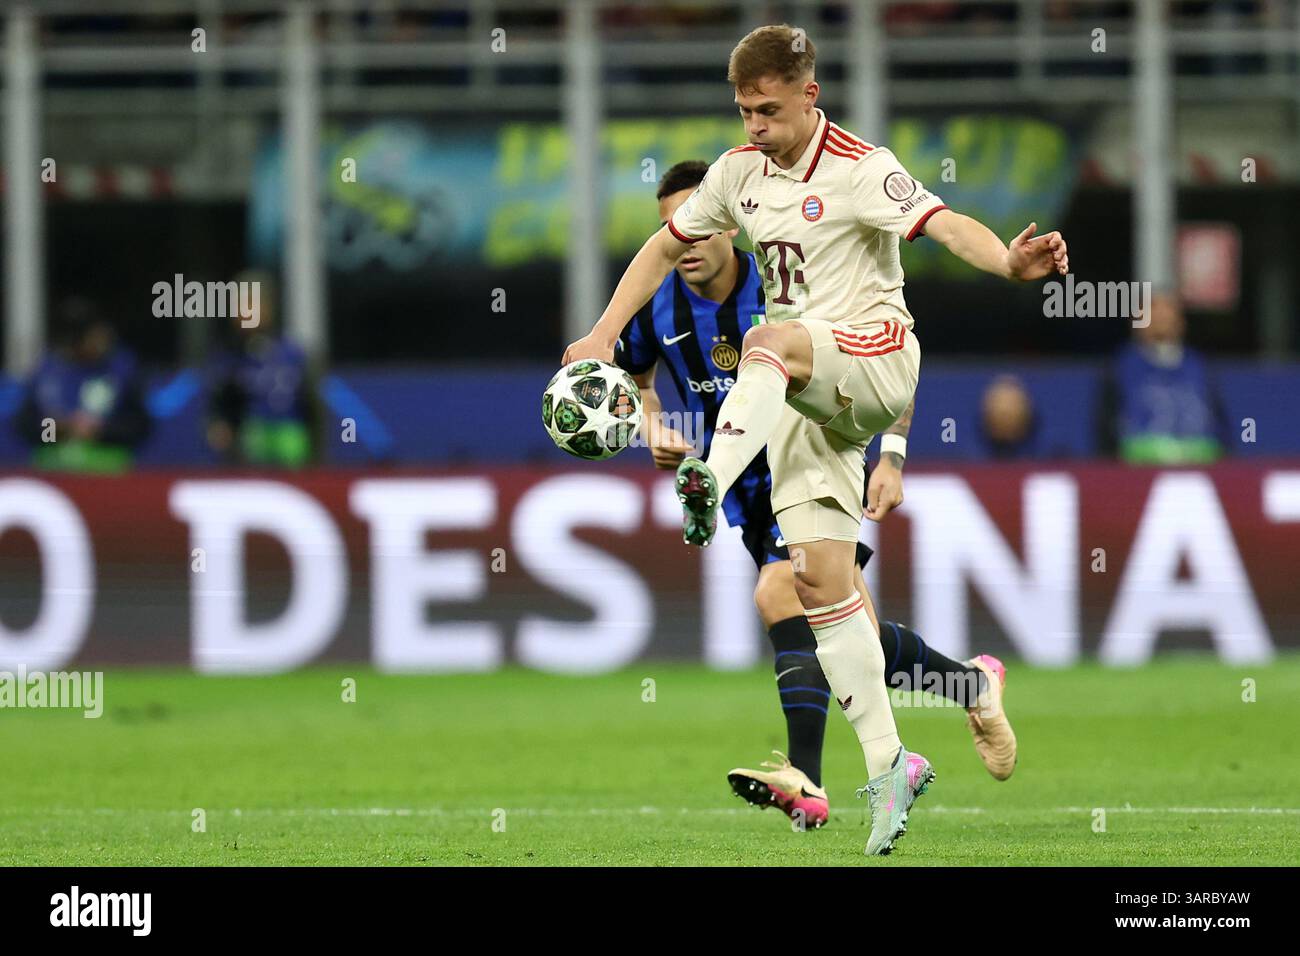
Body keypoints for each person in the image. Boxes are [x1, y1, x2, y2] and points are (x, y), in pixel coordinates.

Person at [564, 25, 1067, 855]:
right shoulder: (736, 176)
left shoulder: (863, 168)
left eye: (767, 109)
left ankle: (709, 481)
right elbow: (661, 245)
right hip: (803, 397)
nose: (754, 124)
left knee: (770, 338)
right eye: (743, 110)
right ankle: (893, 762)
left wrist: (1009, 266)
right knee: (820, 584)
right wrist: (599, 334)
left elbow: (945, 227)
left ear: (809, 94)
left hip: (875, 358)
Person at [620, 160, 1018, 830]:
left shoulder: (783, 285)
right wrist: (653, 426)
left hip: (808, 458)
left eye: (695, 227)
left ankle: (807, 778)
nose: (684, 243)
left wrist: (892, 455)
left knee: (783, 595)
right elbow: (640, 378)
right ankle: (969, 686)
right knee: (846, 636)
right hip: (742, 495)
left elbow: (881, 356)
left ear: (727, 226)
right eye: (671, 230)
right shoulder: (658, 303)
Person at [13, 297, 151, 473]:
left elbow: (140, 427)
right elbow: (25, 426)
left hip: (108, 476)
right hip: (54, 475)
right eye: (94, 335)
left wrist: (101, 430)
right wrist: (58, 428)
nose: (103, 339)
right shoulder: (48, 371)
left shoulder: (122, 370)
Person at [1098, 292, 1226, 465]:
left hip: (1198, 465)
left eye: (1167, 313)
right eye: (1153, 312)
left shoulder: (1199, 366)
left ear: (1181, 322)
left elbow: (1220, 424)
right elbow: (1106, 429)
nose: (1161, 320)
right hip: (1138, 469)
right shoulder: (1121, 367)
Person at [206, 271, 315, 468]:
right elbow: (219, 401)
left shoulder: (291, 353)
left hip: (291, 435)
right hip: (251, 437)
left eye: (251, 305)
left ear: (268, 308)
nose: (244, 312)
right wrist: (220, 422)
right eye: (239, 306)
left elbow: (312, 404)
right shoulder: (229, 356)